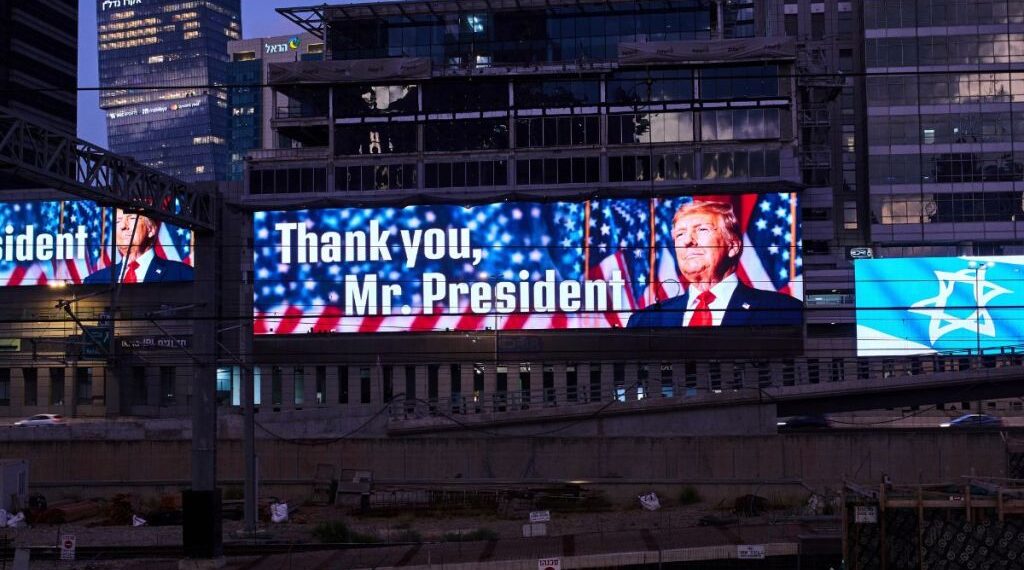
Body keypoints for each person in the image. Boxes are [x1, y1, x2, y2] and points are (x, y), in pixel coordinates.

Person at [626, 201, 801, 328]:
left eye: (702, 230)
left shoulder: (784, 312)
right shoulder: (644, 321)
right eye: (680, 234)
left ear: (732, 247)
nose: (687, 241)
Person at [84, 210, 193, 284]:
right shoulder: (93, 281)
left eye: (132, 218)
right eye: (117, 221)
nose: (123, 226)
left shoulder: (183, 274)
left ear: (151, 230)